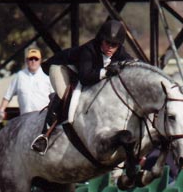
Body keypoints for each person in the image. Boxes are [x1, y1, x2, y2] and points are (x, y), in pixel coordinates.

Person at [31, 19, 134, 155]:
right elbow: (85, 78)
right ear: (101, 39)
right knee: (64, 95)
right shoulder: (89, 49)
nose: (110, 47)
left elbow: (133, 65)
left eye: (114, 45)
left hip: (81, 72)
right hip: (61, 67)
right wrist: (106, 72)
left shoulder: (120, 52)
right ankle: (44, 135)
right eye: (107, 43)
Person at [0, 48, 53, 120]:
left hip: (42, 119)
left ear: (40, 60)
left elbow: (54, 98)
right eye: (31, 59)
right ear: (26, 60)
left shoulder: (47, 77)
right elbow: (8, 95)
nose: (33, 61)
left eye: (36, 59)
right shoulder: (20, 76)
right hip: (24, 119)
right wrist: (1, 110)